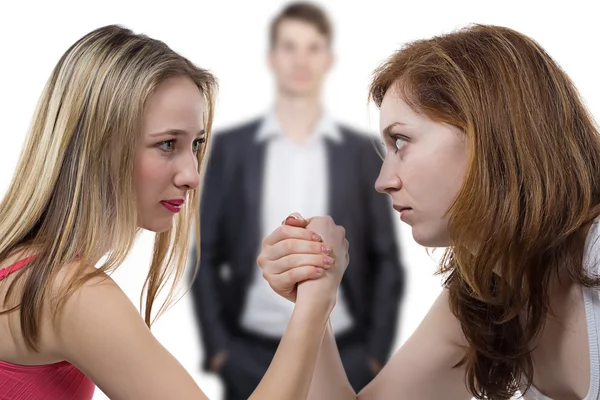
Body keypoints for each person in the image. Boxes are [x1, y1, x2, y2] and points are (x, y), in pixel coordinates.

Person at [0, 24, 350, 400]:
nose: (192, 175)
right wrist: (316, 301)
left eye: (195, 144)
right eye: (167, 144)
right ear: (98, 148)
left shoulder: (24, 268)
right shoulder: (67, 293)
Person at [257, 23, 600, 400]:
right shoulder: (488, 294)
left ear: (489, 134)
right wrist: (314, 292)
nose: (383, 181)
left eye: (401, 141)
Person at [190, 2, 403, 398]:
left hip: (343, 351)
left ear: (328, 59)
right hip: (250, 352)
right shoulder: (231, 150)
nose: (301, 59)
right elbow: (204, 253)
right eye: (290, 46)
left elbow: (385, 258)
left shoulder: (363, 152)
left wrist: (373, 355)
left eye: (312, 47)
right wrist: (221, 351)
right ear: (272, 58)